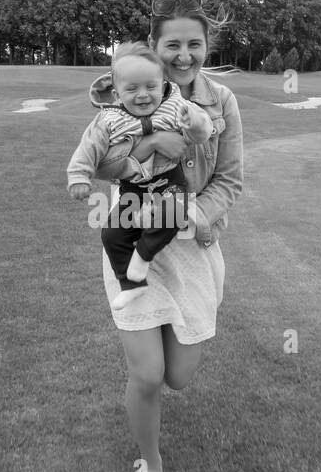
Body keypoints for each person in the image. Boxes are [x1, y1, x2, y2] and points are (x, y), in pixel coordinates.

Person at [82, 0, 244, 472]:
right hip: (131, 239)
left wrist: (187, 214)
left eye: (193, 44)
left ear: (205, 47)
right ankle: (149, 466)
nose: (183, 54)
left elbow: (229, 181)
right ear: (154, 46)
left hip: (192, 247)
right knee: (148, 375)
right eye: (171, 44)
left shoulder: (220, 103)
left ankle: (153, 379)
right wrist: (150, 149)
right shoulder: (128, 91)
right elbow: (101, 165)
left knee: (179, 375)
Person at [66, 42, 213, 310]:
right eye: (132, 89)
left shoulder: (175, 106)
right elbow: (89, 149)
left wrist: (193, 122)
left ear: (162, 83)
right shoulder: (108, 119)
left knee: (172, 214)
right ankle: (131, 284)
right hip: (133, 190)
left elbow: (202, 132)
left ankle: (142, 258)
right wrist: (78, 176)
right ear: (116, 91)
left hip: (169, 183)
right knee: (111, 235)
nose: (143, 95)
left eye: (150, 87)